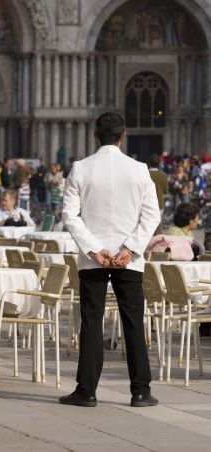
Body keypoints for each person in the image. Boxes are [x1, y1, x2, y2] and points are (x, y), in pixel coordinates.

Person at [61, 112, 160, 408]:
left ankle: (86, 391)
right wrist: (130, 248)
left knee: (91, 321)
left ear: (95, 136)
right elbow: (152, 215)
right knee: (133, 322)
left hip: (95, 259)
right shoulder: (140, 169)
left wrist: (93, 249)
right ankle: (140, 391)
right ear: (124, 135)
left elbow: (70, 215)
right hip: (129, 259)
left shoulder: (80, 168)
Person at [148, 154, 169, 234]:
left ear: (149, 163)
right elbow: (166, 191)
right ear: (159, 164)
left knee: (146, 229)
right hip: (159, 204)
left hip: (146, 203)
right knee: (158, 228)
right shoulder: (163, 175)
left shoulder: (145, 173)